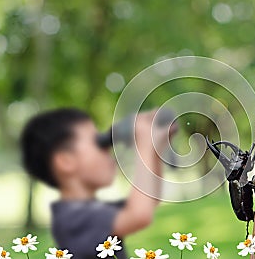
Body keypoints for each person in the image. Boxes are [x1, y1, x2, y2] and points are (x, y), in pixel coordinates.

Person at [20, 108, 177, 259]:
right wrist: (144, 144)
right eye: (99, 143)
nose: (109, 151)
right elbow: (139, 215)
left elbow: (149, 200)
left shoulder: (92, 210)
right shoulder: (72, 219)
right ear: (66, 161)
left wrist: (155, 149)